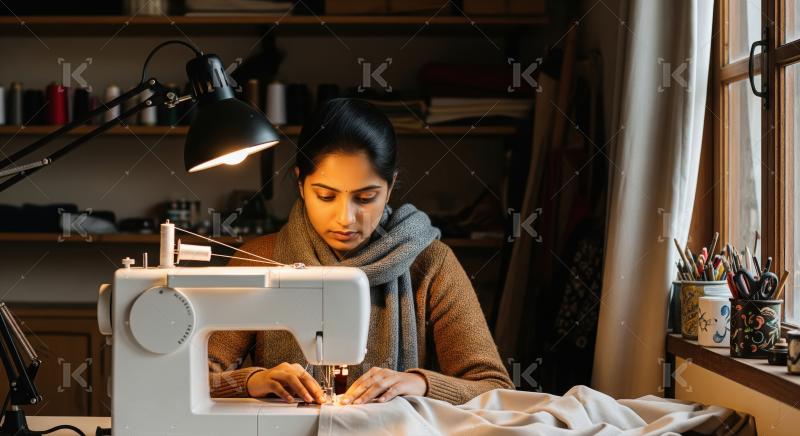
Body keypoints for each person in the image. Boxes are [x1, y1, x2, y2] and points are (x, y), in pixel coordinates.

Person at [208, 98, 513, 406]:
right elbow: (188, 376)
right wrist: (251, 381)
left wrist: (417, 383)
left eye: (365, 198)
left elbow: (494, 388)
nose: (346, 218)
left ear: (390, 186)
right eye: (326, 196)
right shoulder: (260, 260)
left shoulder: (430, 263)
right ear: (301, 184)